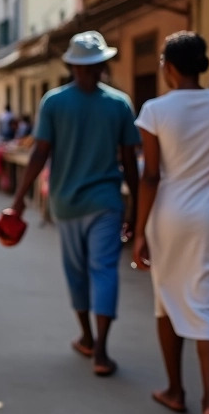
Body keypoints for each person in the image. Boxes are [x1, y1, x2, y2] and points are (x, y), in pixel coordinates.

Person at [8, 31, 141, 377]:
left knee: (78, 272)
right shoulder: (119, 104)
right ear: (101, 65)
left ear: (71, 65)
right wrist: (138, 207)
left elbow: (40, 153)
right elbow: (130, 161)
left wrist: (20, 199)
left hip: (67, 202)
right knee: (104, 271)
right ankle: (100, 348)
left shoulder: (54, 102)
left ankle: (87, 336)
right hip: (106, 203)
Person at [133, 32, 209, 414]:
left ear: (170, 66)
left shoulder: (155, 110)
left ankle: (176, 390)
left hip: (169, 216)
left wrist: (139, 231)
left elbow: (151, 175)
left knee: (166, 300)